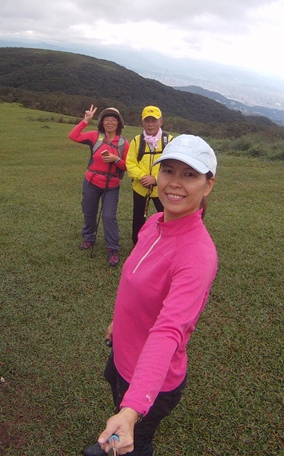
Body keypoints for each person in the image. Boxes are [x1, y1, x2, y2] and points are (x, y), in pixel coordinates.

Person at [83, 134, 218, 456]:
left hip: (149, 381)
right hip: (122, 353)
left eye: (189, 174)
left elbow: (170, 330)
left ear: (208, 185)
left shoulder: (197, 255)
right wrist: (118, 323)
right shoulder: (154, 222)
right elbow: (134, 284)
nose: (175, 183)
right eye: (168, 171)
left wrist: (131, 409)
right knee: (115, 396)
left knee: (136, 442)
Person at [69, 106, 129, 266]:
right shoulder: (95, 136)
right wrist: (85, 121)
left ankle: (113, 248)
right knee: (89, 212)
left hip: (112, 184)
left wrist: (116, 159)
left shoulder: (123, 143)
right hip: (91, 181)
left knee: (109, 216)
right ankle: (88, 238)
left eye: (113, 119)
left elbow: (128, 166)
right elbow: (73, 136)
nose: (110, 122)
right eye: (107, 119)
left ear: (119, 123)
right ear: (102, 122)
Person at [125, 106, 170, 246]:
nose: (150, 124)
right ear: (142, 122)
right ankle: (137, 245)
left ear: (160, 122)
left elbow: (174, 167)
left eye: (154, 120)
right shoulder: (137, 141)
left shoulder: (169, 141)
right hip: (141, 187)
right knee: (138, 218)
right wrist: (143, 177)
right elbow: (130, 163)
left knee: (167, 218)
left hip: (163, 189)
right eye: (147, 121)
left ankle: (167, 245)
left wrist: (155, 179)